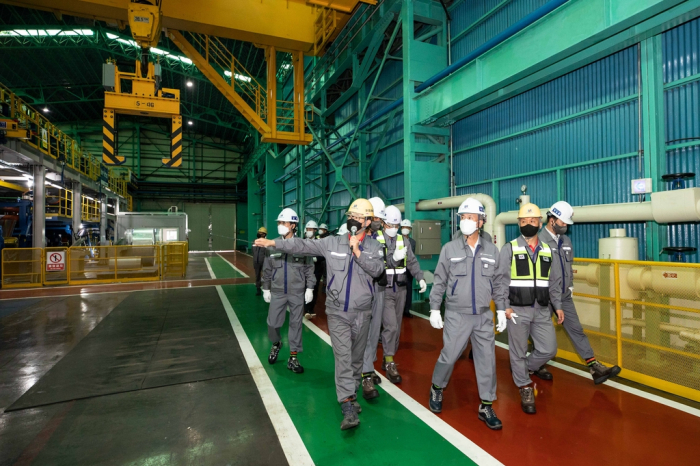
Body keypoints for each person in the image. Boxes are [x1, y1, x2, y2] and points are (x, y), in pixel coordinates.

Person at [254, 199, 383, 431]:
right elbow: (302, 246)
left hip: (362, 312)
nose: (352, 219)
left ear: (367, 222)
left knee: (355, 357)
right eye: (350, 215)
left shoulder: (374, 247)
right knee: (343, 357)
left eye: (358, 216)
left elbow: (377, 270)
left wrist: (357, 251)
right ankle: (347, 404)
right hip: (337, 312)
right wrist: (274, 242)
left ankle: (351, 394)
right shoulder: (331, 242)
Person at [428, 198, 507, 430]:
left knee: (487, 361)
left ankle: (486, 404)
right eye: (463, 217)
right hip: (457, 314)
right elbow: (440, 280)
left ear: (480, 222)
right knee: (449, 355)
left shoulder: (492, 250)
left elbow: (500, 284)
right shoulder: (449, 249)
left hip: (483, 316)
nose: (465, 221)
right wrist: (434, 307)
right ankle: (437, 387)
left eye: (470, 217)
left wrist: (501, 308)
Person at [537, 201, 621, 384]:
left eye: (567, 223)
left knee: (576, 330)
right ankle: (535, 364)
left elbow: (568, 267)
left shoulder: (566, 241)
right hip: (544, 297)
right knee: (541, 332)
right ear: (551, 220)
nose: (565, 226)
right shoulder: (539, 241)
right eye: (563, 222)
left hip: (564, 296)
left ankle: (594, 367)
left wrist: (570, 287)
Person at [495, 203, 564, 415]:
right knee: (517, 350)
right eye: (524, 221)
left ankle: (524, 368)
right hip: (516, 310)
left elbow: (554, 282)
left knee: (548, 349)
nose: (528, 224)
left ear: (540, 223)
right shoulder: (510, 248)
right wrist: (503, 307)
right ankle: (524, 386)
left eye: (532, 221)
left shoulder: (548, 250)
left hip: (542, 309)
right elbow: (500, 281)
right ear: (518, 224)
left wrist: (558, 306)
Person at [362, 206, 425, 399]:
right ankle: (389, 360)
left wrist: (421, 277)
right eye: (390, 224)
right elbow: (377, 262)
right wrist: (392, 258)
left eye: (397, 225)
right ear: (383, 223)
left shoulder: (403, 240)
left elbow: (412, 262)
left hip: (401, 289)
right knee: (390, 325)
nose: (394, 228)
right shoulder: (375, 240)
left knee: (396, 328)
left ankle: (387, 357)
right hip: (384, 289)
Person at [262, 209, 315, 375]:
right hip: (277, 291)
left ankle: (293, 357)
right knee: (272, 323)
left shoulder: (302, 245)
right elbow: (267, 269)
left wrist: (310, 288)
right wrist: (265, 288)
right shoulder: (272, 245)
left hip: (296, 292)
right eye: (279, 223)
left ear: (293, 225)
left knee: (296, 324)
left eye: (283, 223)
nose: (280, 226)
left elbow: (309, 269)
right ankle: (276, 343)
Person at [359, 197, 387, 395]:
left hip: (379, 288)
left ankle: (368, 366)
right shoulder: (355, 237)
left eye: (380, 218)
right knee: (362, 332)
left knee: (374, 331)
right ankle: (364, 373)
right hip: (362, 290)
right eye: (375, 217)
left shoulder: (381, 236)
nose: (379, 221)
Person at [304, 220, 321, 319]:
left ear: (315, 230)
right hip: (304, 270)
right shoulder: (302, 241)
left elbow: (324, 255)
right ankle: (306, 309)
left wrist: (316, 258)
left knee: (314, 289)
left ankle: (311, 309)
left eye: (310, 229)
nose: (309, 231)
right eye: (307, 229)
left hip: (316, 270)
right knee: (305, 288)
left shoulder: (319, 242)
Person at [401, 219, 417, 318]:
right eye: (403, 227)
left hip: (409, 269)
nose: (405, 229)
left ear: (410, 229)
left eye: (407, 227)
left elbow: (412, 256)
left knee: (409, 289)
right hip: (398, 268)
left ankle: (407, 310)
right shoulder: (397, 239)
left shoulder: (413, 242)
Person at [253, 226, 267, 295]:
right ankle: (258, 289)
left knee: (266, 276)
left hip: (264, 263)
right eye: (258, 232)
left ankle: (266, 289)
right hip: (256, 262)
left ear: (264, 234)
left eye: (260, 233)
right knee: (257, 276)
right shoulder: (255, 242)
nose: (259, 233)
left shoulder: (267, 243)